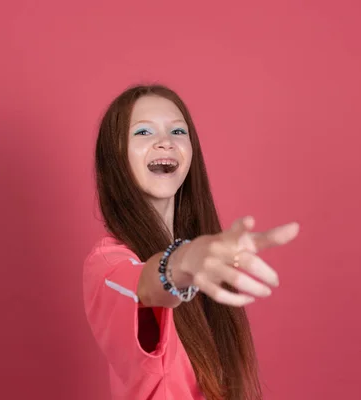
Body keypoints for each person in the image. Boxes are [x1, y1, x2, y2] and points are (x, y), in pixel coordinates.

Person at [83, 84, 300, 400]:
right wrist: (180, 263)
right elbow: (146, 286)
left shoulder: (207, 264)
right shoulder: (107, 264)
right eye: (143, 132)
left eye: (178, 131)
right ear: (115, 154)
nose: (165, 142)